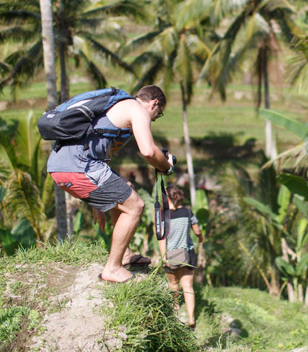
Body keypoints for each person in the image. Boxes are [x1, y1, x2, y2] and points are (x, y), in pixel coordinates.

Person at [47, 85, 175, 283]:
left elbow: (97, 157)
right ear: (154, 104)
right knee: (136, 206)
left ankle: (125, 255)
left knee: (125, 189)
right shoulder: (136, 109)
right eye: (158, 114)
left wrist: (100, 200)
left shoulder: (113, 107)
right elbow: (148, 151)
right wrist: (166, 167)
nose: (154, 118)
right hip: (76, 167)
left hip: (63, 165)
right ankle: (112, 268)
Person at [159, 185, 203, 330]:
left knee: (173, 284)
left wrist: (163, 256)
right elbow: (197, 231)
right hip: (187, 255)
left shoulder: (163, 215)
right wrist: (200, 238)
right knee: (188, 287)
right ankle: (191, 318)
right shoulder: (188, 212)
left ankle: (176, 306)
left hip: (170, 255)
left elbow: (161, 238)